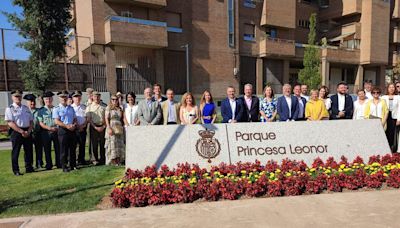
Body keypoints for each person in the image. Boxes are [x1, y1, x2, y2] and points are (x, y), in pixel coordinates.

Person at [5, 90, 34, 176]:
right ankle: (16, 170)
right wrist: (21, 131)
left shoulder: (26, 108)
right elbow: (10, 122)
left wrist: (28, 131)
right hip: (16, 131)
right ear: (12, 97)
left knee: (29, 150)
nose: (18, 98)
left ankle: (29, 167)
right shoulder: (10, 108)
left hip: (27, 130)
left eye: (19, 96)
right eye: (16, 96)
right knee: (16, 151)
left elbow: (31, 121)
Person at [53, 90, 77, 172]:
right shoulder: (56, 109)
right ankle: (64, 166)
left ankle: (73, 165)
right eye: (62, 97)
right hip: (63, 130)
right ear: (59, 98)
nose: (64, 98)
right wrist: (66, 126)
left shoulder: (71, 108)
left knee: (72, 148)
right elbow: (56, 121)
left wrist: (74, 125)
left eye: (65, 97)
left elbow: (74, 118)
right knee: (63, 149)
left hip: (72, 129)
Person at [38, 91, 60, 170]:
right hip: (46, 132)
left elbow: (59, 119)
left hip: (56, 130)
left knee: (58, 148)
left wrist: (56, 127)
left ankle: (58, 163)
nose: (48, 100)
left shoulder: (56, 108)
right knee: (47, 149)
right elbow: (41, 123)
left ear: (52, 99)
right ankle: (49, 164)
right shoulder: (41, 110)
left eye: (50, 99)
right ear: (44, 100)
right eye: (46, 99)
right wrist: (49, 128)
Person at [86, 91, 106, 165]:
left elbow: (107, 117)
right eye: (95, 96)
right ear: (92, 97)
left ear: (100, 97)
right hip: (93, 126)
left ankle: (103, 158)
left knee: (102, 143)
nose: (96, 98)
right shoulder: (89, 107)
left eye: (98, 96)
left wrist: (103, 126)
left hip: (103, 126)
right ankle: (94, 159)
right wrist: (95, 127)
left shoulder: (104, 106)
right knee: (93, 144)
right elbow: (89, 119)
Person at [24, 93, 43, 169]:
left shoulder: (39, 111)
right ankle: (29, 165)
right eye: (30, 101)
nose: (32, 103)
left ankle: (39, 163)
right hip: (28, 133)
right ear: (27, 102)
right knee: (28, 150)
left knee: (39, 149)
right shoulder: (25, 111)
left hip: (37, 132)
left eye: (34, 101)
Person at [105, 95, 125, 165]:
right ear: (111, 100)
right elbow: (106, 118)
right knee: (112, 143)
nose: (114, 101)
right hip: (112, 126)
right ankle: (113, 160)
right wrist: (108, 127)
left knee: (119, 144)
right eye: (113, 99)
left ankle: (119, 159)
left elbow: (122, 118)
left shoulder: (120, 109)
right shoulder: (108, 108)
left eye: (116, 99)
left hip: (119, 127)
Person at [71, 90, 88, 166]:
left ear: (81, 97)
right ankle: (74, 160)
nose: (77, 98)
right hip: (74, 129)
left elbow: (87, 118)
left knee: (82, 145)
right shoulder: (70, 107)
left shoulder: (84, 107)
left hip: (83, 128)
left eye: (78, 96)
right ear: (72, 98)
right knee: (73, 146)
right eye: (75, 97)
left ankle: (81, 159)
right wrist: (77, 126)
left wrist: (83, 126)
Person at [382, 83, 400, 152]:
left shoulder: (398, 97)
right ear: (387, 88)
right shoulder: (383, 97)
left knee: (393, 133)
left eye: (393, 87)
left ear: (395, 89)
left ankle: (393, 148)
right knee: (386, 132)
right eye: (390, 87)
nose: (391, 89)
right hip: (386, 116)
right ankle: (386, 148)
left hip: (394, 117)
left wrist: (399, 119)